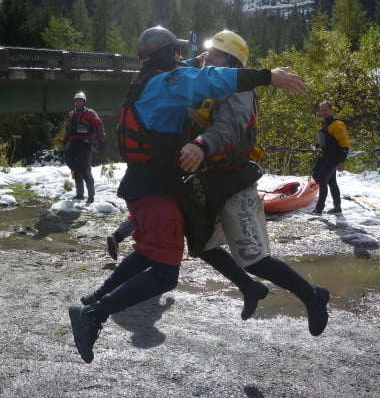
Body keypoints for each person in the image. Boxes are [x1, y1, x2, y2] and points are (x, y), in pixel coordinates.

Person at [68, 26, 306, 364]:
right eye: (177, 53)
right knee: (165, 274)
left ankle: (96, 300)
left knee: (151, 252)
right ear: (165, 56)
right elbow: (204, 81)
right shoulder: (166, 83)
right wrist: (267, 76)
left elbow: (191, 70)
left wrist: (201, 57)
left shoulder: (152, 78)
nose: (184, 58)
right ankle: (92, 314)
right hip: (154, 191)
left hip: (150, 186)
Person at [178, 30, 330, 338]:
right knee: (201, 245)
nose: (209, 60)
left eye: (216, 55)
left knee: (253, 257)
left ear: (232, 61)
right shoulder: (208, 78)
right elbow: (176, 76)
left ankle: (312, 297)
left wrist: (201, 144)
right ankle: (250, 289)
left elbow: (230, 127)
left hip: (235, 180)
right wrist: (196, 59)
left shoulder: (239, 90)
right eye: (208, 54)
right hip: (209, 178)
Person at [61, 91, 105, 203]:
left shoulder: (90, 113)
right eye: (77, 101)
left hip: (85, 144)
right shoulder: (71, 114)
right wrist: (64, 143)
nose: (78, 103)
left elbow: (99, 125)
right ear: (75, 102)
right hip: (74, 144)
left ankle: (91, 196)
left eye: (80, 101)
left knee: (85, 169)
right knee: (74, 168)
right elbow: (68, 130)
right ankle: (79, 194)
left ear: (84, 102)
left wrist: (100, 141)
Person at [310, 100, 350, 215]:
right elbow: (323, 140)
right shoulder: (325, 123)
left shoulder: (338, 125)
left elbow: (345, 144)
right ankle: (337, 207)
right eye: (322, 110)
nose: (324, 112)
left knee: (322, 180)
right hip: (326, 156)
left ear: (331, 110)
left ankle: (319, 209)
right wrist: (315, 146)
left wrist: (342, 162)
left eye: (326, 110)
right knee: (329, 180)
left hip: (334, 158)